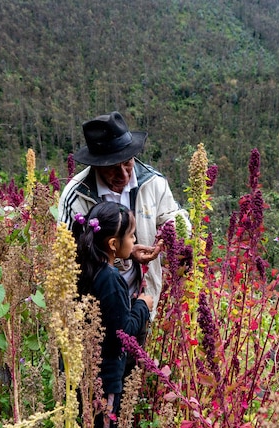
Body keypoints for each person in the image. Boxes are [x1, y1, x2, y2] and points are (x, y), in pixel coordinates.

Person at [58, 111, 190, 318]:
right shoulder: (76, 196)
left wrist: (171, 228)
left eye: (128, 162)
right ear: (96, 164)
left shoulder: (153, 183)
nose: (124, 174)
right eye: (112, 167)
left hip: (142, 301)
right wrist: (126, 255)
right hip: (95, 309)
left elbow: (174, 215)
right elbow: (70, 256)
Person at [72, 201, 152, 428]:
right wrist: (143, 305)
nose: (135, 240)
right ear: (113, 245)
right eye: (131, 235)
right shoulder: (110, 278)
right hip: (104, 381)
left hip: (80, 375)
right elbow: (123, 333)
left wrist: (129, 256)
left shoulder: (82, 268)